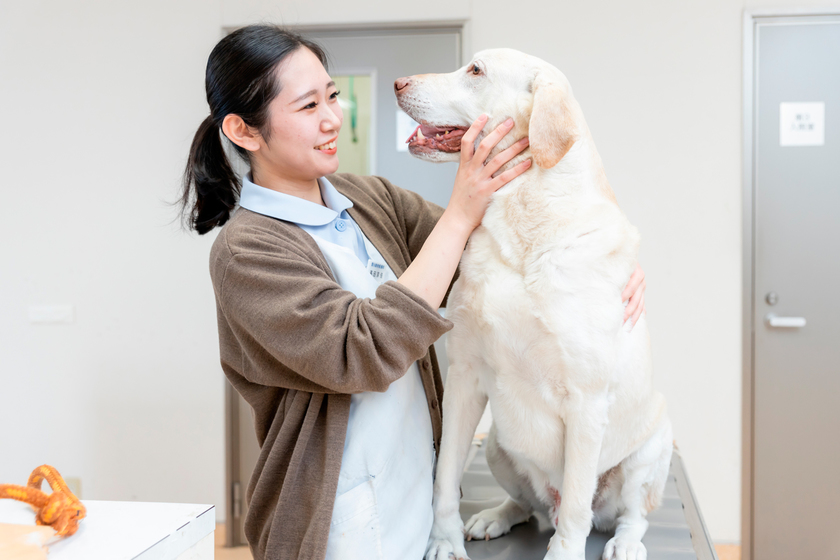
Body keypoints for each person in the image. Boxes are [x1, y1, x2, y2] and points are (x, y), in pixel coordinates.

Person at [181, 24, 646, 560]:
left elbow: (491, 261)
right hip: (334, 531)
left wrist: (615, 264)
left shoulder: (367, 198)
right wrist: (460, 210)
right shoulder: (247, 252)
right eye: (308, 107)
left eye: (333, 96)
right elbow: (361, 352)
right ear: (244, 130)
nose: (333, 118)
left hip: (422, 514)